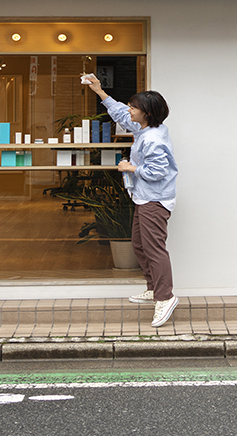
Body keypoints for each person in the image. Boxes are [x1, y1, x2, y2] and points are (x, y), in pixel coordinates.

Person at [84, 74, 180, 327]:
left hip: (154, 201)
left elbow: (157, 173)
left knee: (154, 249)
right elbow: (120, 115)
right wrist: (99, 91)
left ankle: (165, 298)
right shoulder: (148, 128)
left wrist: (130, 167)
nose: (130, 110)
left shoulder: (153, 139)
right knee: (139, 245)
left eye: (134, 107)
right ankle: (153, 289)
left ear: (146, 113)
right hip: (144, 198)